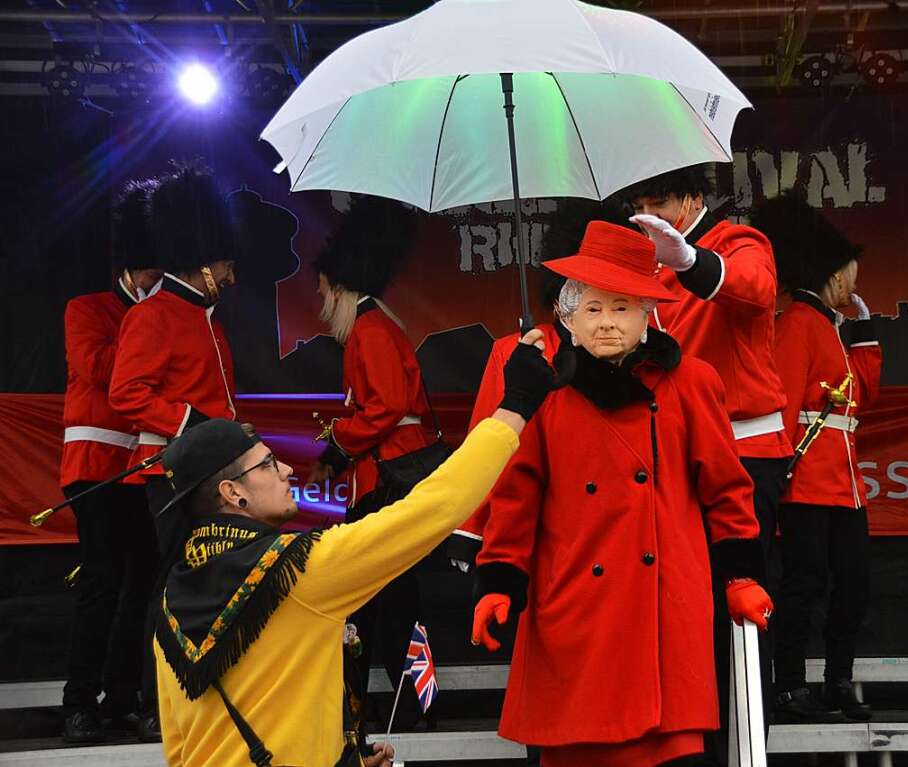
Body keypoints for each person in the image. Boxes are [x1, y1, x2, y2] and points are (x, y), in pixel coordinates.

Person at [153, 333, 554, 767]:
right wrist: (513, 408)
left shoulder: (170, 600)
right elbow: (433, 508)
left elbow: (179, 746)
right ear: (233, 493)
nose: (287, 468)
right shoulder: (300, 569)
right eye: (268, 463)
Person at [471, 221, 772, 767]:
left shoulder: (692, 382)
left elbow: (726, 488)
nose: (607, 322)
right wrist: (499, 581)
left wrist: (741, 575)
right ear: (568, 319)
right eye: (592, 309)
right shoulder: (544, 392)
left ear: (646, 316)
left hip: (663, 612)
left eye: (621, 308)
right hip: (573, 606)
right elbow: (517, 498)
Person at [623, 165, 791, 759]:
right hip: (681, 459)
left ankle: (744, 750)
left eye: (660, 200)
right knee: (691, 610)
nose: (649, 212)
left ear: (694, 198)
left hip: (744, 456)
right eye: (641, 201)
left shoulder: (739, 243)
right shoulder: (649, 262)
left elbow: (752, 287)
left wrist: (689, 260)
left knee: (740, 609)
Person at [109, 161, 240, 739]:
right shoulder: (153, 315)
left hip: (206, 475)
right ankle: (151, 699)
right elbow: (125, 393)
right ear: (206, 262)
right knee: (171, 590)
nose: (232, 275)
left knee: (203, 587)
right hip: (169, 477)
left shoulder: (205, 319)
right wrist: (196, 423)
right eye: (227, 264)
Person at [751, 191, 882, 723]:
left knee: (853, 582)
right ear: (833, 273)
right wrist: (776, 468)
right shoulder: (800, 324)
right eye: (850, 272)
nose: (855, 281)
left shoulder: (828, 323)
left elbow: (859, 401)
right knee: (803, 584)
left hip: (844, 484)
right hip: (806, 481)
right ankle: (788, 685)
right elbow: (781, 400)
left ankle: (837, 680)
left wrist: (866, 337)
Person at [307, 195, 435, 728]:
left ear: (339, 286)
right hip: (384, 477)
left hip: (388, 481)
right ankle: (401, 703)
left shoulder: (370, 331)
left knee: (377, 600)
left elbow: (384, 408)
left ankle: (384, 705)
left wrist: (335, 447)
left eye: (322, 291)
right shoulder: (375, 326)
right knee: (383, 600)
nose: (319, 302)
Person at [447, 198, 629, 569]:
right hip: (540, 524)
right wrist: (472, 527)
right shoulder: (517, 352)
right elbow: (488, 441)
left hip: (618, 524)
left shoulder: (638, 351)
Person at [59, 180, 163, 742]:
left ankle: (122, 696)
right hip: (94, 467)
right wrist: (149, 333)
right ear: (130, 268)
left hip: (139, 470)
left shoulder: (156, 314)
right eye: (150, 274)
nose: (154, 283)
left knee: (141, 583)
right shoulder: (86, 309)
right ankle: (78, 702)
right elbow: (99, 369)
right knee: (101, 581)